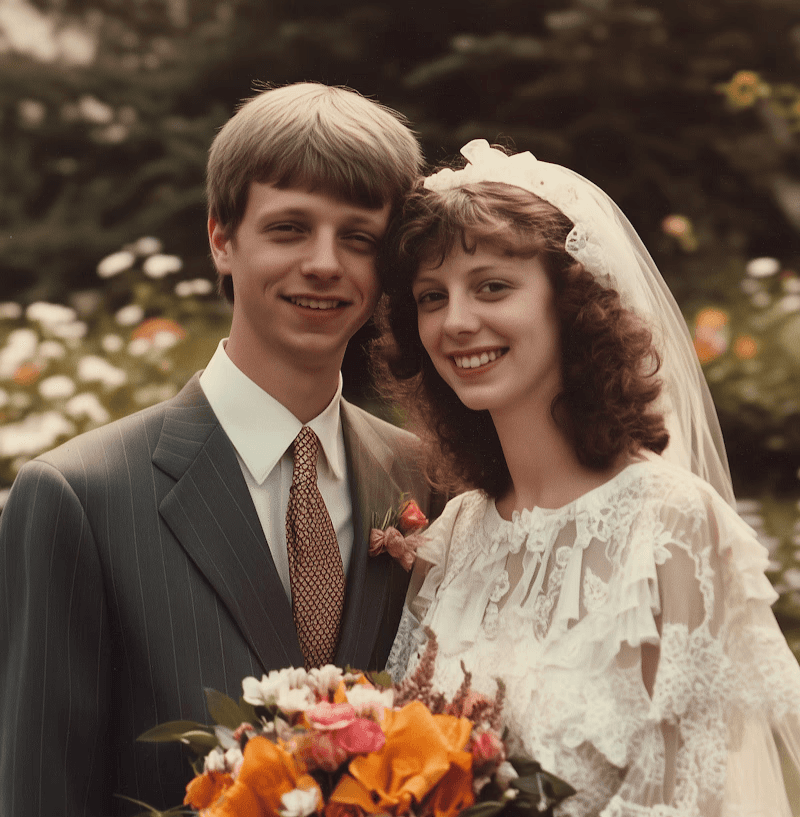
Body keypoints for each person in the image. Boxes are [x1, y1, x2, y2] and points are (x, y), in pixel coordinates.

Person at [0, 82, 432, 816]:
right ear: (221, 239)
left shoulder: (429, 480)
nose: (325, 263)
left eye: (358, 237)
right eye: (289, 228)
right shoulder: (78, 495)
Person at [375, 139, 800, 816]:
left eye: (492, 285)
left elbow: (689, 796)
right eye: (432, 296)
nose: (456, 321)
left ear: (570, 303)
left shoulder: (673, 523)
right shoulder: (455, 534)